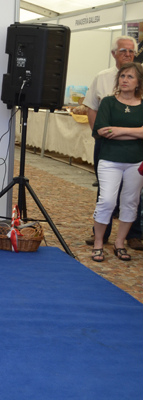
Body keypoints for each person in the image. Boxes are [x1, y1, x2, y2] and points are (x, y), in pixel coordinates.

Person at [84, 36, 143, 251]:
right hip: (107, 150)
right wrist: (101, 134)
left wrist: (119, 131)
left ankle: (131, 237)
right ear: (113, 54)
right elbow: (94, 111)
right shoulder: (103, 79)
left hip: (136, 157)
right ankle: (101, 236)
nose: (127, 54)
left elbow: (114, 130)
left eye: (131, 51)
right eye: (123, 50)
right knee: (106, 196)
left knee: (132, 199)